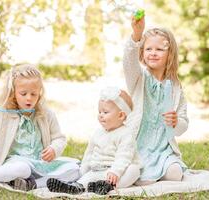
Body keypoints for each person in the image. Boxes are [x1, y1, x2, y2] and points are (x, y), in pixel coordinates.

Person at [0, 64, 80, 191]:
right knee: (23, 169)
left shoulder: (46, 114)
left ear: (40, 93)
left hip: (40, 165)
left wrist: (54, 149)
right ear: (14, 93)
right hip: (16, 163)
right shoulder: (5, 114)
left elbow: (59, 138)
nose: (29, 98)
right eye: (23, 93)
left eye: (34, 94)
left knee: (74, 170)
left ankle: (31, 184)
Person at [123, 16, 189, 185]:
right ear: (142, 52)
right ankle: (143, 173)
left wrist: (176, 122)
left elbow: (183, 124)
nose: (153, 53)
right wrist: (136, 35)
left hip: (163, 149)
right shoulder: (138, 78)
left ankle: (156, 171)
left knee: (175, 174)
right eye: (148, 49)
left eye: (159, 49)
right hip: (139, 146)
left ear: (170, 54)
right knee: (137, 175)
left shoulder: (175, 87)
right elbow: (129, 62)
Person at [46, 87, 141, 195]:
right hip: (97, 170)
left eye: (105, 112)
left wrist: (115, 172)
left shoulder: (125, 134)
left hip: (116, 172)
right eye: (99, 111)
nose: (100, 115)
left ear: (121, 115)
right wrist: (83, 170)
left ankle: (109, 186)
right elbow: (89, 152)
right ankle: (75, 187)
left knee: (134, 171)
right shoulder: (98, 133)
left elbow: (124, 156)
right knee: (86, 179)